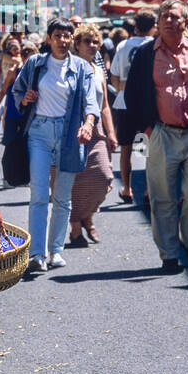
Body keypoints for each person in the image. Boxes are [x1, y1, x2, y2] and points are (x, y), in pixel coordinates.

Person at [124, 0, 188, 273]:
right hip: (162, 133)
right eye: (165, 16)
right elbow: (132, 94)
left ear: (185, 22)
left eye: (175, 17)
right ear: (157, 22)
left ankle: (187, 236)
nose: (169, 21)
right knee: (162, 197)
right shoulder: (146, 54)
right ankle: (169, 254)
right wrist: (148, 127)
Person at [10, 18, 100, 272]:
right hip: (39, 131)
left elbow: (91, 102)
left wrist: (89, 123)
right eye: (57, 35)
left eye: (67, 36)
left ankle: (56, 250)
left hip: (70, 133)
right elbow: (17, 92)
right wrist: (26, 98)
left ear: (73, 39)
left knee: (62, 197)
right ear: (49, 38)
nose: (62, 40)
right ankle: (37, 253)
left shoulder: (82, 67)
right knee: (39, 193)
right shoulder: (35, 63)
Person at [68, 24, 119, 248]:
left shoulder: (98, 70)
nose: (92, 46)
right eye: (87, 41)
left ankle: (86, 215)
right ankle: (76, 226)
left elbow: (105, 105)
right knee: (74, 181)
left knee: (103, 177)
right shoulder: (69, 68)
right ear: (76, 45)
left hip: (96, 131)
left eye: (95, 42)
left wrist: (111, 132)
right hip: (72, 131)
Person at [109, 8, 156, 203]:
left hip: (125, 100)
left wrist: (124, 87)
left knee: (126, 146)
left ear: (135, 26)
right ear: (154, 27)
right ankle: (147, 189)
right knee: (149, 147)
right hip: (149, 100)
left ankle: (127, 189)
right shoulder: (155, 45)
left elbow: (114, 76)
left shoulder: (123, 46)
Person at [0, 33, 23, 132]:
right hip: (8, 84)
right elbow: (18, 62)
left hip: (15, 86)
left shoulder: (18, 57)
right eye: (13, 48)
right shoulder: (5, 56)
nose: (16, 50)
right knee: (7, 110)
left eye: (17, 48)